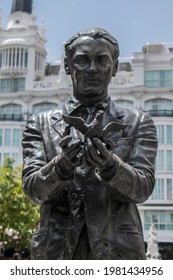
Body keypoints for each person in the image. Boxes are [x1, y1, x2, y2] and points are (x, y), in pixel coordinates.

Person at [22, 27, 158, 260]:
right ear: (68, 66)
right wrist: (61, 166)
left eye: (102, 60)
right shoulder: (40, 123)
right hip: (55, 253)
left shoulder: (138, 122)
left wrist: (111, 166)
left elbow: (143, 188)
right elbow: (33, 190)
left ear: (114, 67)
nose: (92, 68)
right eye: (82, 60)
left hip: (119, 254)